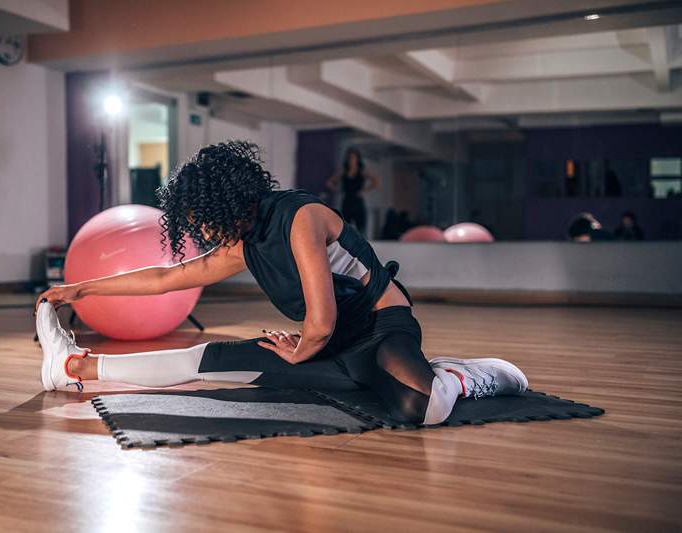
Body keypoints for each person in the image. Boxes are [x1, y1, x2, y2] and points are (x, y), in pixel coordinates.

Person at [36, 140, 527, 425]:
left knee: (419, 409)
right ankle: (74, 365)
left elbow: (322, 318)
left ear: (222, 204)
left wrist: (302, 347)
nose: (202, 232)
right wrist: (82, 289)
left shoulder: (301, 218)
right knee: (210, 363)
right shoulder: (241, 241)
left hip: (380, 326)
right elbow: (168, 277)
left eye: (201, 220)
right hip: (322, 342)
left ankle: (461, 375)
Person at [325, 147, 379, 235]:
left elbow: (376, 181)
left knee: (361, 229)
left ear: (357, 159)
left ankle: (361, 247)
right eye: (350, 158)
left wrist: (364, 190)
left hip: (358, 201)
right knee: (345, 229)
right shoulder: (343, 172)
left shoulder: (362, 172)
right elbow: (329, 182)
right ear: (347, 159)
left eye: (354, 158)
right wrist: (338, 190)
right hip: (347, 201)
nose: (352, 160)